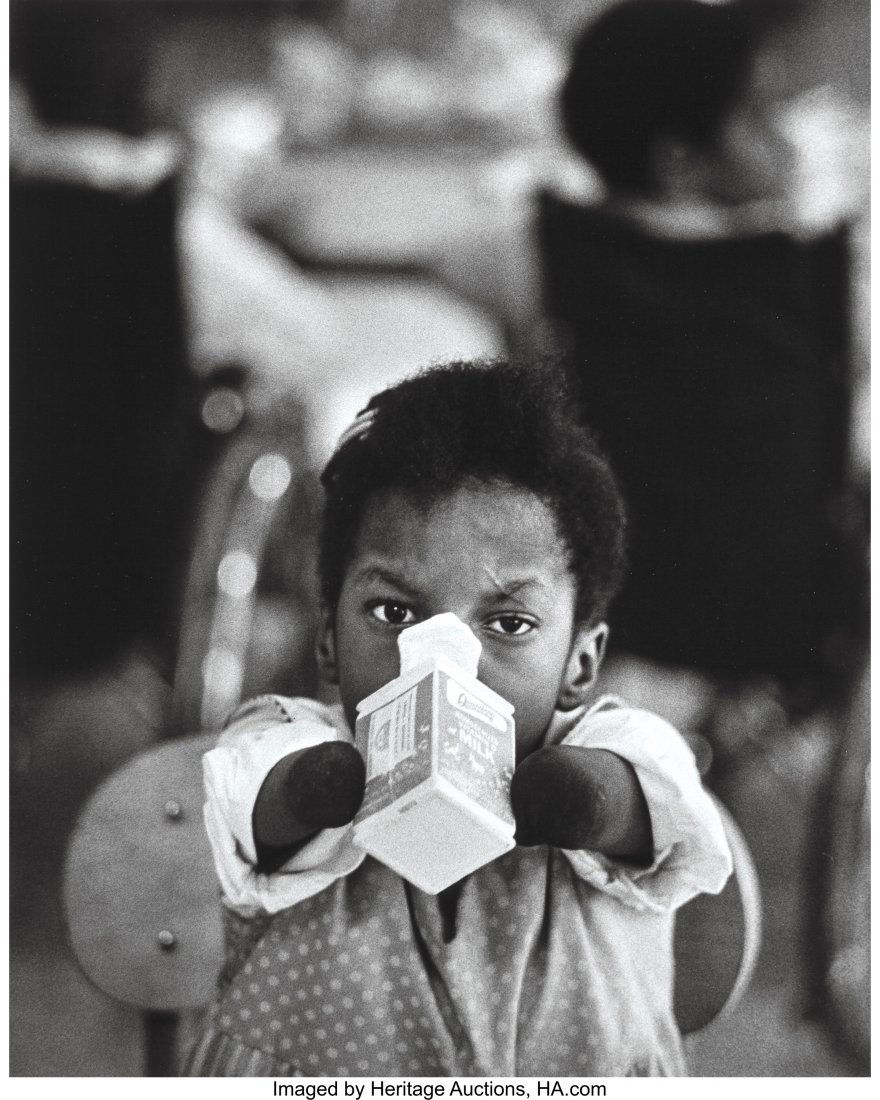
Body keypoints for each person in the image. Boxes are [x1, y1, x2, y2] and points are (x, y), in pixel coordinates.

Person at [184, 359, 732, 1077]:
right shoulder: (294, 735)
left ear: (580, 664)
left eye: (507, 623)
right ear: (327, 639)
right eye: (393, 612)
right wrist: (331, 786)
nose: (442, 660)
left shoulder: (612, 742)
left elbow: (662, 803)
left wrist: (574, 797)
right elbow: (247, 797)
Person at [536, 0, 868, 733]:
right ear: (681, 162)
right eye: (760, 117)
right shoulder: (820, 276)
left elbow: (451, 259)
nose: (787, 140)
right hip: (780, 632)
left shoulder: (545, 254)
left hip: (610, 616)